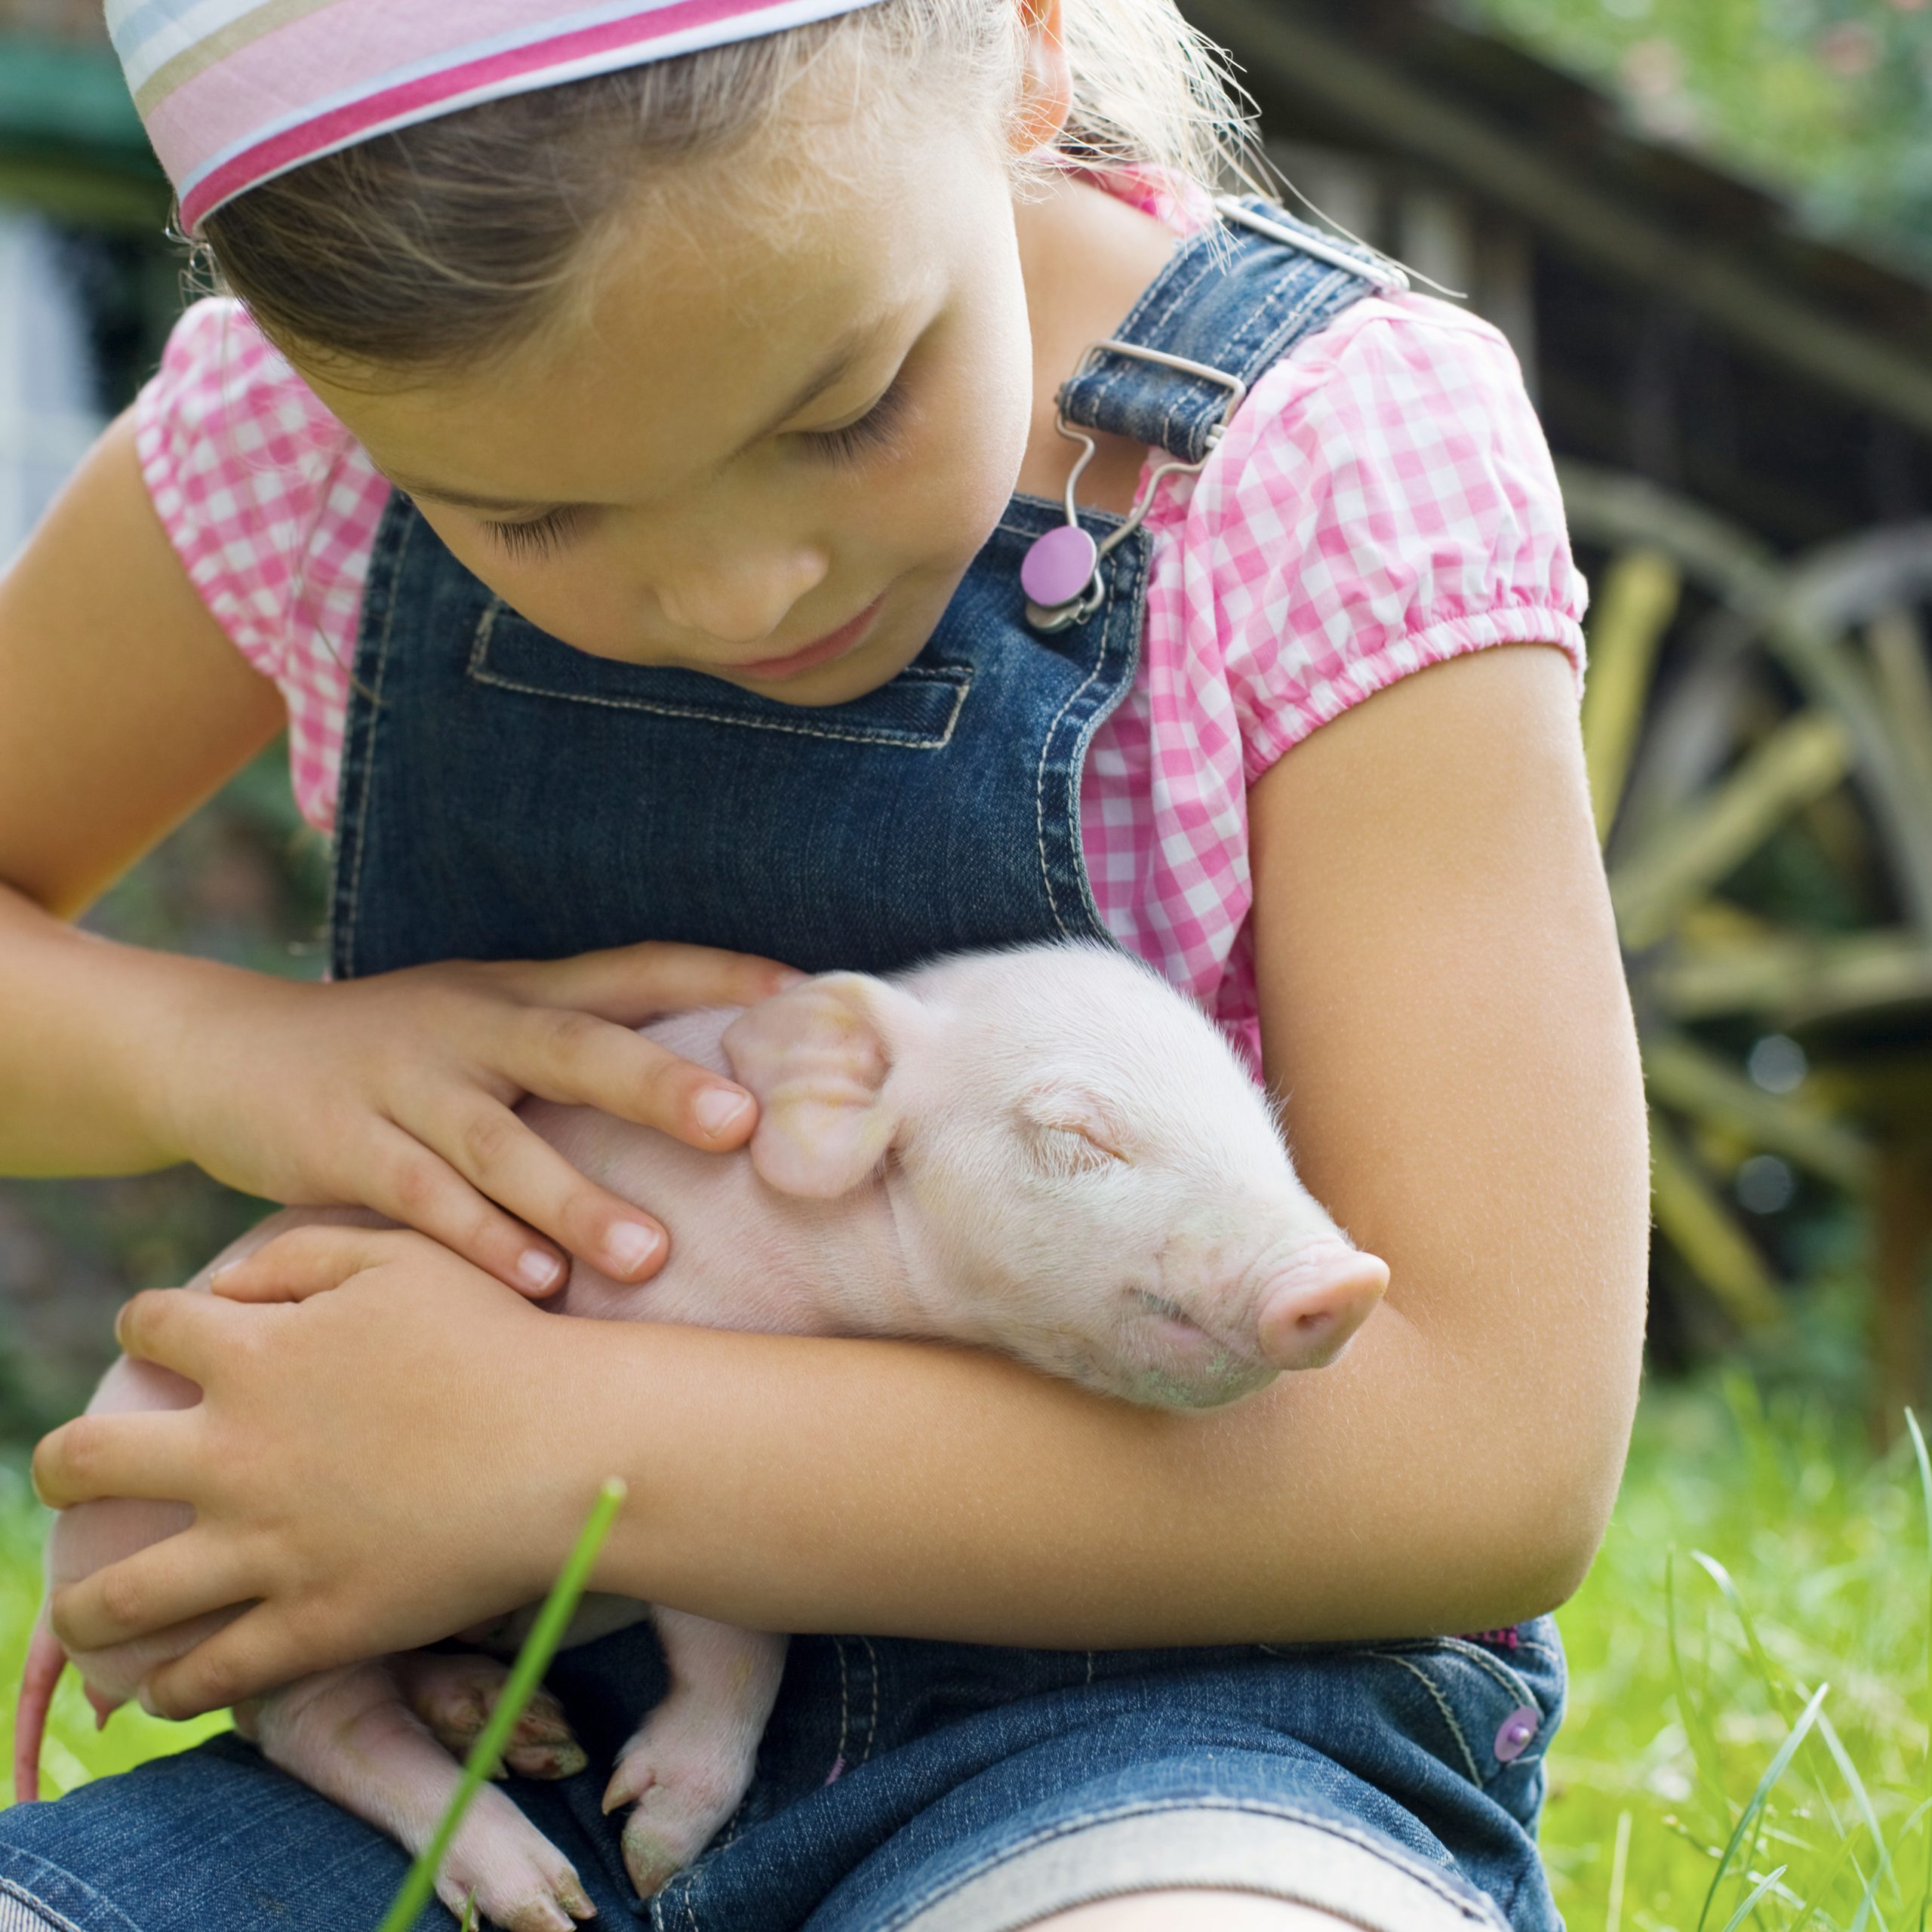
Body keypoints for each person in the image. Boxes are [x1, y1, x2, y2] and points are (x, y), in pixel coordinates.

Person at [0, 0, 1649, 1926]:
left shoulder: (1313, 454)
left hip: (1165, 1740)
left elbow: (1490, 1454)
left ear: (1026, 47)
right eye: (531, 510)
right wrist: (232, 1058)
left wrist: (554, 1447)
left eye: (838, 408)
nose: (730, 592)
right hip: (498, 1737)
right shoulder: (299, 441)